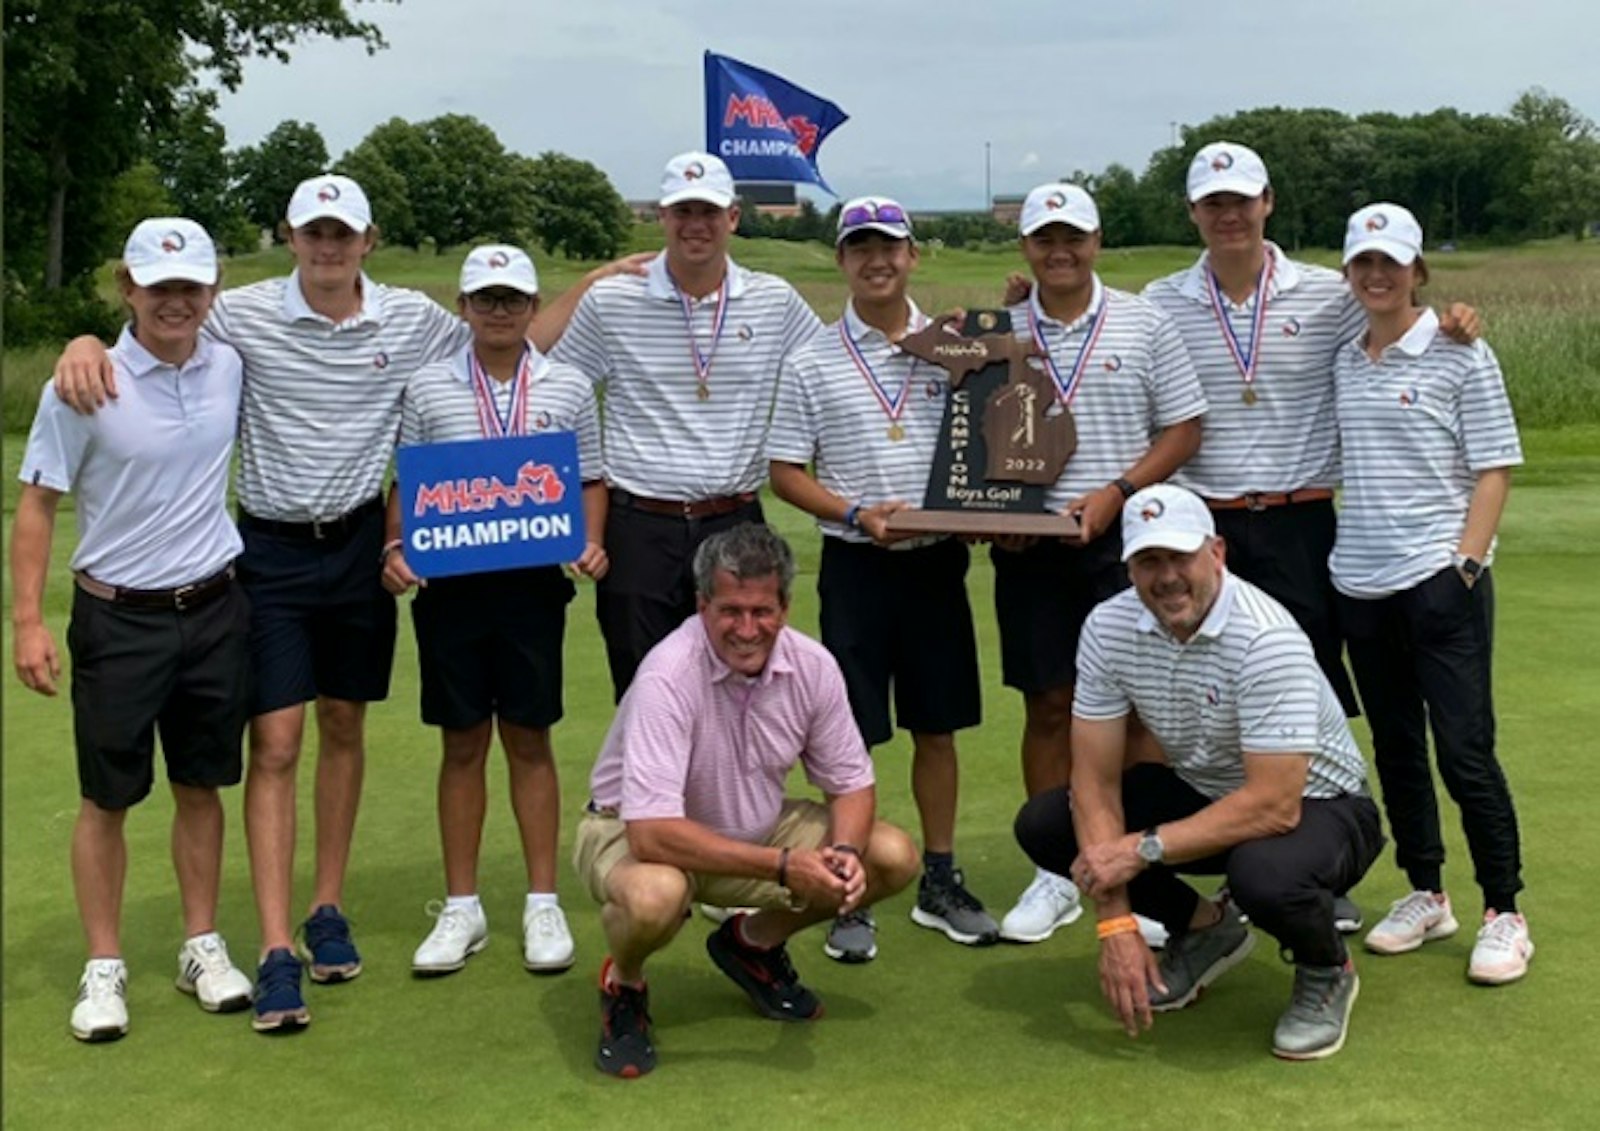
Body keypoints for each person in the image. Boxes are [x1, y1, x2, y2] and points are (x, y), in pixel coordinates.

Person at [1138, 142, 1479, 933]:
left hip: (1300, 520)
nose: (1228, 215)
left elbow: (1403, 308)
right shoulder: (1160, 299)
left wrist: (1456, 314)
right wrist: (1014, 303)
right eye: (1211, 203)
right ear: (1192, 213)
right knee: (1191, 691)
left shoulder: (1328, 292)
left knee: (1311, 692)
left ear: (1268, 204)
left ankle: (1320, 861)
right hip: (1203, 522)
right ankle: (1204, 856)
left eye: (1241, 200)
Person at [1014, 483, 1385, 1060]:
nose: (1166, 578)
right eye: (1148, 561)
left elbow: (1274, 805)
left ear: (1217, 553)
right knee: (1046, 822)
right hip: (1207, 790)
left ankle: (1326, 968)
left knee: (1263, 873)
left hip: (1324, 806)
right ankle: (1209, 928)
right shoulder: (1107, 628)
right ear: (1129, 567)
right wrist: (1115, 923)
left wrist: (1140, 849)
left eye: (1180, 557)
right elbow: (1094, 781)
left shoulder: (1266, 636)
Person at [12, 218, 254, 1041]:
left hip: (216, 607)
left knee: (201, 784)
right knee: (106, 797)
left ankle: (200, 943)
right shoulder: (81, 383)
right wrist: (26, 621)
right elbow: (39, 503)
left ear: (212, 291)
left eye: (191, 287)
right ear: (129, 289)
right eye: (159, 287)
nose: (176, 302)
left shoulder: (230, 364)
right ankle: (105, 965)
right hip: (117, 615)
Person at [573, 523, 920, 1078]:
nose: (746, 628)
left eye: (761, 612)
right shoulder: (668, 673)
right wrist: (784, 867)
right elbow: (651, 833)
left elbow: (851, 782)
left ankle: (751, 944)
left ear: (785, 605)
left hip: (751, 829)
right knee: (655, 897)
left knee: (890, 854)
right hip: (631, 833)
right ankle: (626, 983)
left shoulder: (813, 666)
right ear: (702, 604)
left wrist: (847, 854)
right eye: (730, 611)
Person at [768, 197, 993, 960]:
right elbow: (785, 473)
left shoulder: (957, 349)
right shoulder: (811, 360)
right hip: (855, 561)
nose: (876, 261)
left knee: (938, 724)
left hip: (935, 561)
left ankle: (937, 876)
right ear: (842, 261)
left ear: (912, 256)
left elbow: (1005, 434)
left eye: (889, 248)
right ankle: (845, 883)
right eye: (860, 248)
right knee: (847, 737)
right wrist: (857, 510)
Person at [382, 245, 610, 977]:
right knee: (460, 742)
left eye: (514, 299)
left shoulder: (568, 385)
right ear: (463, 308)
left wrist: (593, 540)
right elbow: (407, 484)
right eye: (486, 299)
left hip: (533, 587)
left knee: (530, 739)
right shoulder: (427, 387)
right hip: (450, 588)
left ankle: (542, 899)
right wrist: (395, 544)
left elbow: (593, 480)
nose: (501, 311)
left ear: (534, 307)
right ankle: (462, 905)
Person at [991, 183, 1206, 947]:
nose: (1060, 251)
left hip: (1129, 542)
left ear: (1097, 241)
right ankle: (1057, 869)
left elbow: (1184, 428)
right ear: (1025, 247)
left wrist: (1117, 492)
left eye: (1073, 237)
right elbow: (967, 444)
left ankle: (1139, 876)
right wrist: (997, 512)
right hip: (1032, 547)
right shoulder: (998, 329)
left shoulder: (1144, 322)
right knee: (1048, 703)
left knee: (1138, 709)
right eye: (1045, 238)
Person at [1329, 203, 1532, 983]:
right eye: (1363, 263)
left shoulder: (1460, 353)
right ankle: (1425, 891)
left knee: (1464, 750)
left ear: (1418, 269)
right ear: (1349, 273)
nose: (1377, 276)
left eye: (1393, 262)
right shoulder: (1346, 355)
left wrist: (1468, 565)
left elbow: (1495, 466)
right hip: (1362, 581)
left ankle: (1504, 908)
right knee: (1398, 749)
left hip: (1441, 579)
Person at [551, 151, 823, 701]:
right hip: (638, 527)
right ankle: (642, 792)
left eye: (709, 211)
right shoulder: (613, 299)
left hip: (735, 519)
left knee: (742, 690)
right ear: (661, 217)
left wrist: (943, 337)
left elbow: (837, 371)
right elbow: (557, 394)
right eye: (682, 211)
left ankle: (730, 793)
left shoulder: (774, 300)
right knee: (642, 693)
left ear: (734, 218)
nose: (695, 224)